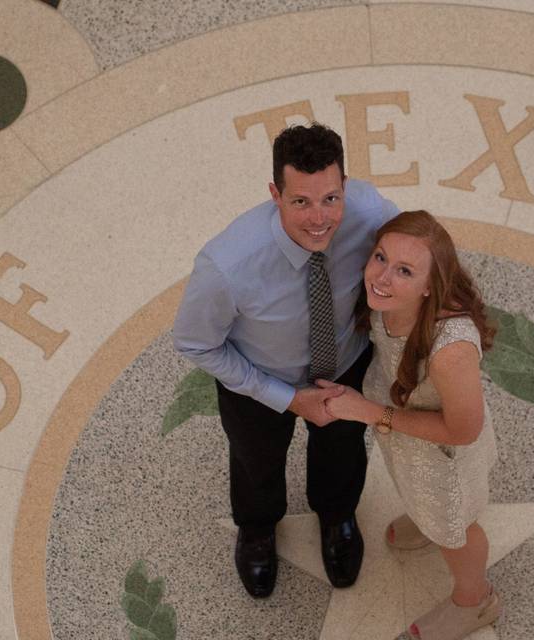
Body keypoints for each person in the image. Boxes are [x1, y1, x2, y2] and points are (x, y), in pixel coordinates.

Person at [172, 123, 398, 598]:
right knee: (257, 461)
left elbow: (416, 256)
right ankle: (256, 529)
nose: (320, 219)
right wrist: (288, 398)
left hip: (344, 366)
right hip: (259, 380)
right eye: (301, 202)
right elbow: (196, 343)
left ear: (346, 186)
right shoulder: (226, 265)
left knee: (342, 451)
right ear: (275, 193)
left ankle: (337, 516)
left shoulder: (371, 212)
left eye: (331, 199)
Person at [319, 210, 501, 640]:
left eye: (404, 271)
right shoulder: (386, 303)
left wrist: (368, 412)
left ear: (428, 288)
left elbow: (462, 431)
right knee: (426, 505)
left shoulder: (450, 348)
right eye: (380, 258)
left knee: (456, 528)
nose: (381, 278)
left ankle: (474, 602)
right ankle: (427, 518)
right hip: (408, 442)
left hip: (443, 457)